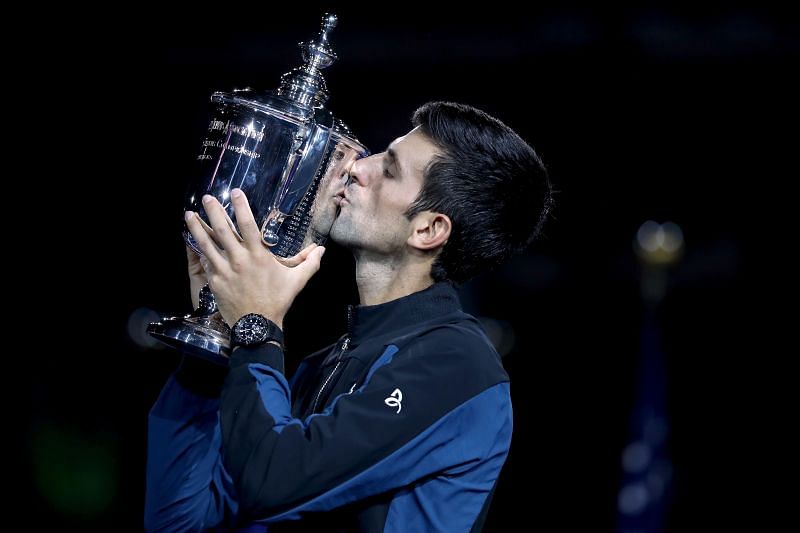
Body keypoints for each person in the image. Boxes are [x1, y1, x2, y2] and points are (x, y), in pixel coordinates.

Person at [145, 101, 554, 531]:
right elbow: (179, 521)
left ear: (428, 230)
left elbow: (274, 481)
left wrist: (257, 325)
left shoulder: (458, 366)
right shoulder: (324, 362)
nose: (358, 167)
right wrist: (216, 336)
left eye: (390, 170)